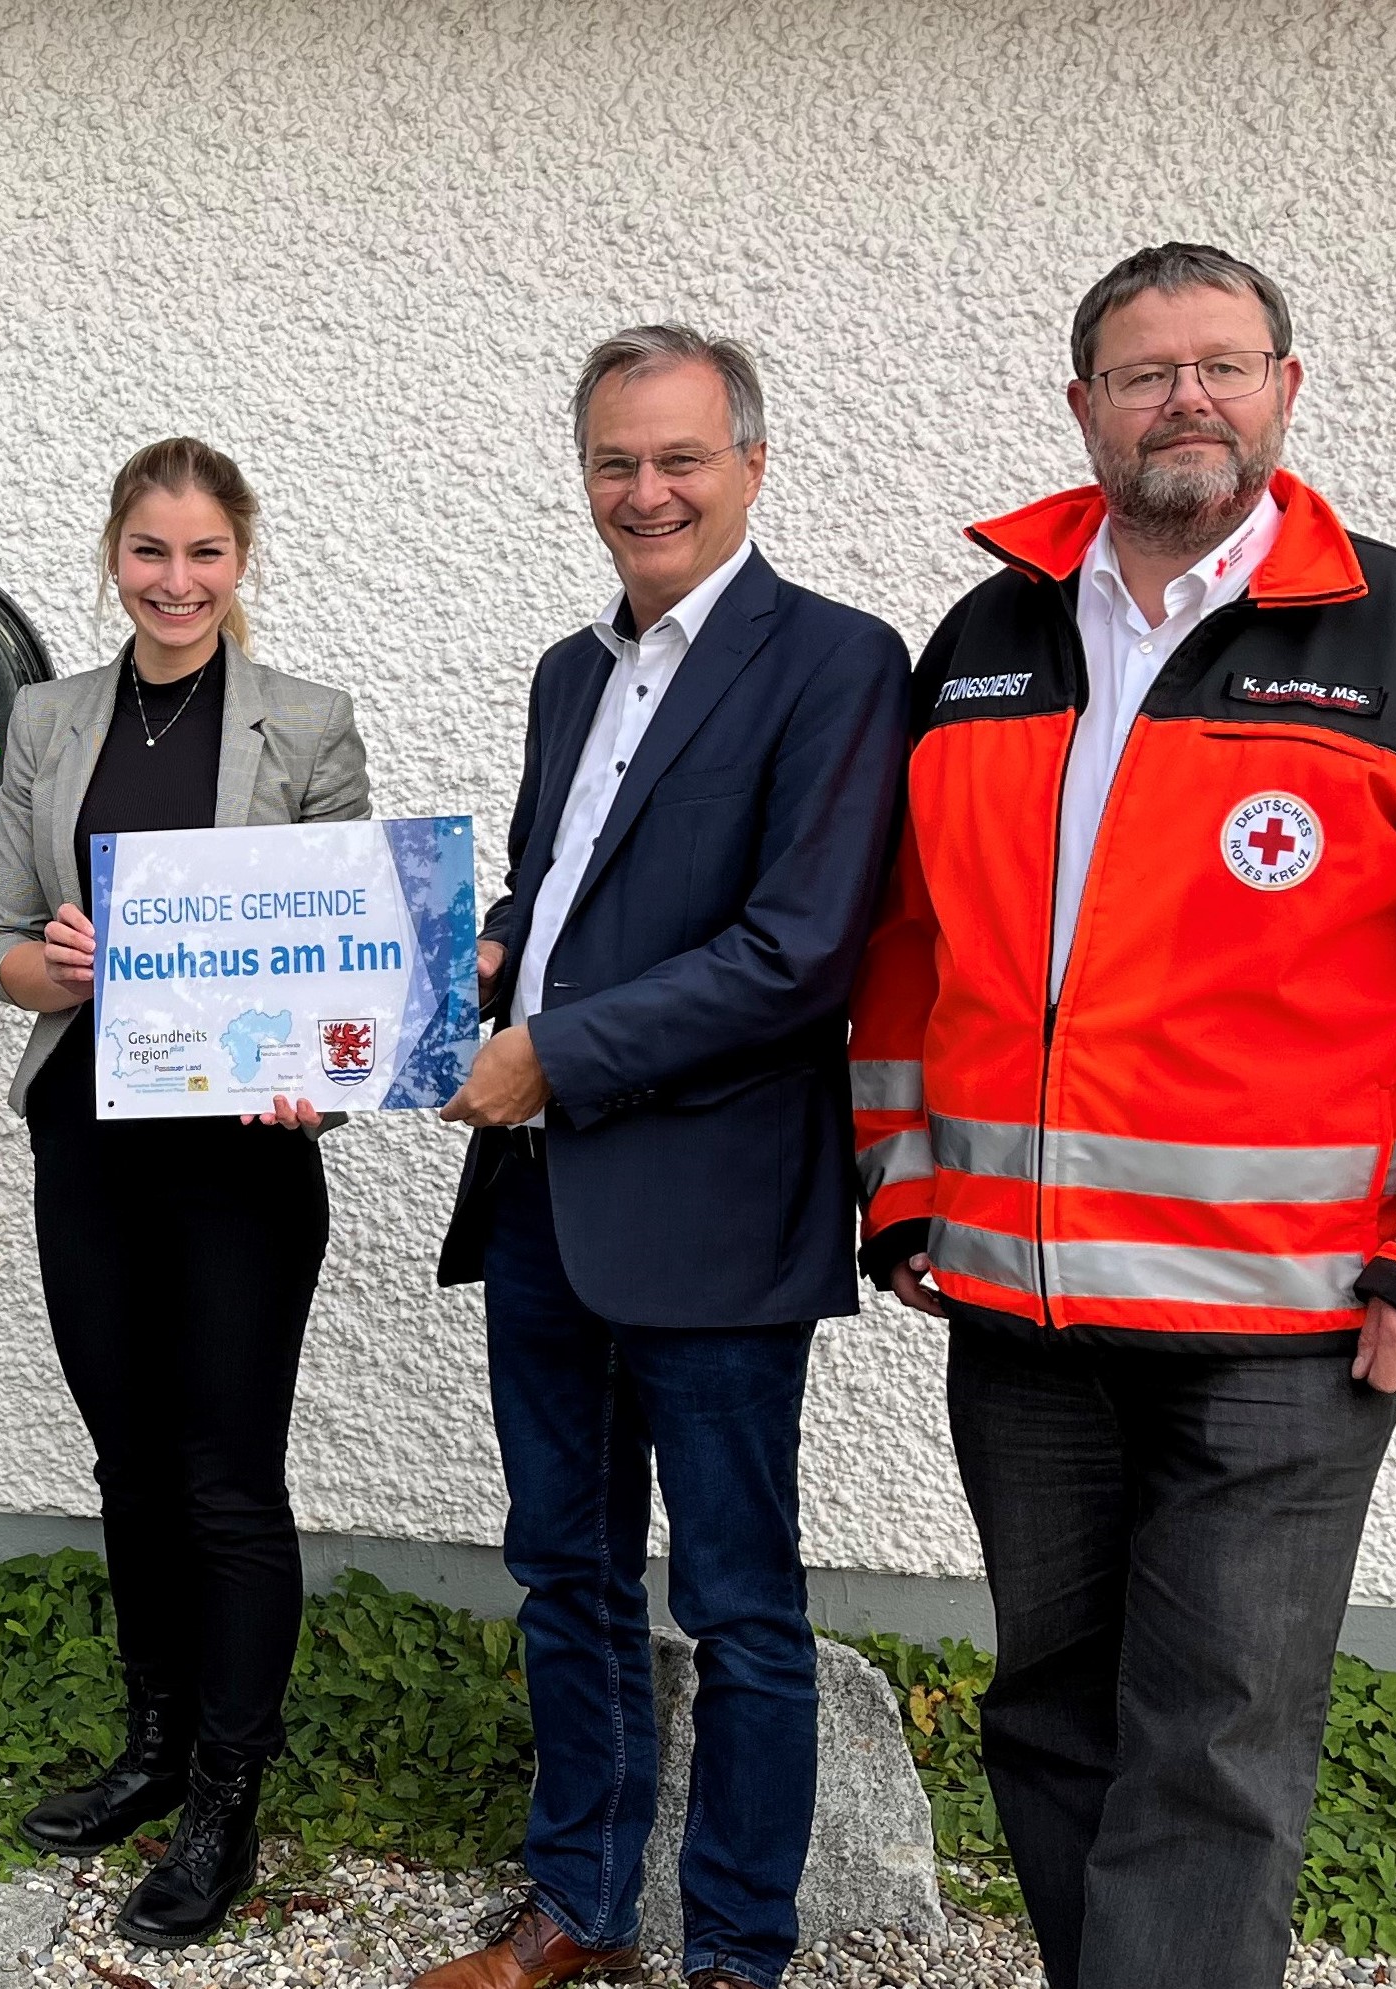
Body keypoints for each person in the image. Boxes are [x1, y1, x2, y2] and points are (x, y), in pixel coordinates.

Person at [849, 243, 1396, 1989]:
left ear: (1284, 389)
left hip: (1291, 1328)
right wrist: (905, 1188)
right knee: (1050, 1711)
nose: (1185, 397)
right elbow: (907, 952)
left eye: (1223, 364)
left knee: (1212, 1746)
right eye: (1144, 372)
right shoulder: (987, 643)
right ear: (1085, 408)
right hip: (1026, 1318)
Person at [418, 328, 909, 1989]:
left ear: (751, 467)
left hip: (709, 1201)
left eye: (681, 459)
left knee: (739, 1604)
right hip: (547, 1199)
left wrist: (553, 1049)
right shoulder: (573, 671)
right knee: (562, 1564)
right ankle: (580, 1900)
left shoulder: (838, 663)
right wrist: (474, 961)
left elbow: (799, 952)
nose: (648, 491)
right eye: (617, 463)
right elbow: (559, 894)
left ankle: (739, 1951)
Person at [0, 437, 369, 1946]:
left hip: (241, 1153)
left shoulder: (308, 726)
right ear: (114, 558)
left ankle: (226, 1790)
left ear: (239, 560)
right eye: (150, 551)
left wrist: (318, 1066)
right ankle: (148, 1743)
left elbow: (345, 957)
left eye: (203, 553)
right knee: (130, 1466)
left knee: (224, 1478)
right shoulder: (50, 718)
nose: (176, 580)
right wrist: (43, 964)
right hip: (91, 1136)